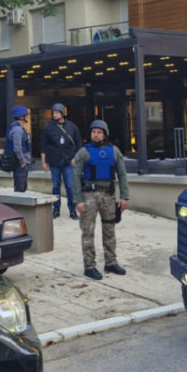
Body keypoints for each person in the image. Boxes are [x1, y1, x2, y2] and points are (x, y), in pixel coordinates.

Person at [72, 120, 129, 280]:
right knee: (88, 231)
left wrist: (124, 196)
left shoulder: (114, 151)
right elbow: (75, 176)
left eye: (99, 132)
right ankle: (89, 266)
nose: (96, 135)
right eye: (93, 132)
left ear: (105, 134)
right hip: (89, 196)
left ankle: (111, 262)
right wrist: (77, 200)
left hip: (108, 195)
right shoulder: (83, 152)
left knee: (110, 230)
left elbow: (122, 174)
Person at [40, 102, 82, 220]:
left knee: (70, 186)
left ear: (62, 113)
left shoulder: (72, 127)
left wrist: (75, 158)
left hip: (69, 161)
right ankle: (56, 209)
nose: (55, 115)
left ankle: (72, 210)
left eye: (57, 113)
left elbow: (79, 143)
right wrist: (44, 162)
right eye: (53, 113)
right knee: (56, 186)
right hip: (54, 161)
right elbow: (43, 145)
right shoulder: (48, 128)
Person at [6, 105, 31, 192]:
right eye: (26, 115)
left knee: (22, 186)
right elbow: (17, 148)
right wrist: (22, 161)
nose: (27, 116)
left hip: (20, 161)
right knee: (20, 187)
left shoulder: (18, 128)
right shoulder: (17, 130)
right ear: (21, 117)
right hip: (20, 163)